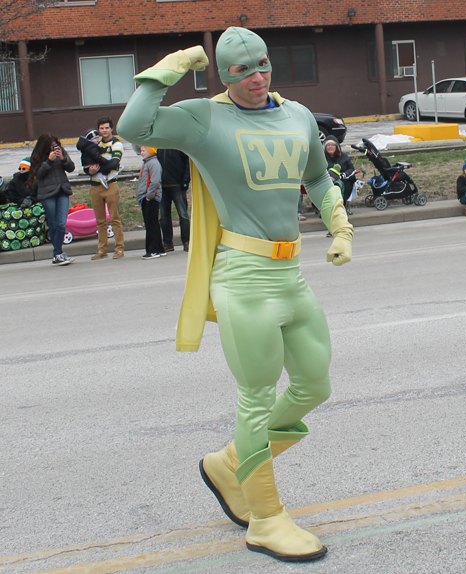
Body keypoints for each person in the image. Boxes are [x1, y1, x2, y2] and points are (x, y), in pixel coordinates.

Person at [117, 27, 353, 563]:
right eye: (241, 70)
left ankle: (229, 465)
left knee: (314, 385)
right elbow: (135, 125)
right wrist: (171, 67)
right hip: (243, 275)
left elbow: (317, 176)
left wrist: (340, 226)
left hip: (290, 272)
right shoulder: (204, 117)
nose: (255, 77)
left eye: (262, 65)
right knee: (257, 398)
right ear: (224, 74)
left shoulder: (295, 114)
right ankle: (266, 519)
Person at [28, 133, 75, 266]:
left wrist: (62, 158)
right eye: (50, 147)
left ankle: (58, 253)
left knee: (61, 223)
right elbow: (38, 175)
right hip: (47, 193)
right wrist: (49, 161)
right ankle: (58, 253)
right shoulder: (37, 157)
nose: (53, 149)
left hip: (62, 190)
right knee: (53, 224)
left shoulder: (61, 153)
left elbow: (71, 168)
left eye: (55, 146)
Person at [88, 116, 125, 260]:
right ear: (98, 130)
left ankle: (119, 248)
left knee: (114, 218)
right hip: (95, 186)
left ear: (111, 128)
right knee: (100, 221)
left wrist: (98, 168)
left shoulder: (116, 144)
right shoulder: (94, 144)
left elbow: (113, 164)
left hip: (110, 185)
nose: (104, 131)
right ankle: (102, 250)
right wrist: (90, 171)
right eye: (101, 128)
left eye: (106, 128)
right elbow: (86, 164)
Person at [157, 148, 191, 252]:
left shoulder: (177, 144)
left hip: (177, 184)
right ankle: (167, 243)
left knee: (183, 214)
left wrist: (186, 179)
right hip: (162, 185)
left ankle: (187, 241)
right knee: (163, 216)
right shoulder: (157, 143)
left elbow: (187, 162)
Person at [136, 146, 166, 259]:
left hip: (150, 198)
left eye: (144, 150)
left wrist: (148, 196)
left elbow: (155, 181)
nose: (141, 152)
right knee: (153, 223)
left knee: (151, 225)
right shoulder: (147, 162)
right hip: (147, 197)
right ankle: (159, 248)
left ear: (150, 151)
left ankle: (152, 250)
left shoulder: (153, 163)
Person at [323, 135, 356, 209]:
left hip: (343, 179)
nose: (330, 147)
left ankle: (341, 205)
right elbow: (318, 170)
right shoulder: (322, 158)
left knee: (345, 184)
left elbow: (351, 169)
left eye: (332, 145)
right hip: (327, 180)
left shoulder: (344, 156)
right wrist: (329, 177)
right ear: (325, 147)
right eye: (328, 145)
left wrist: (342, 175)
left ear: (336, 146)